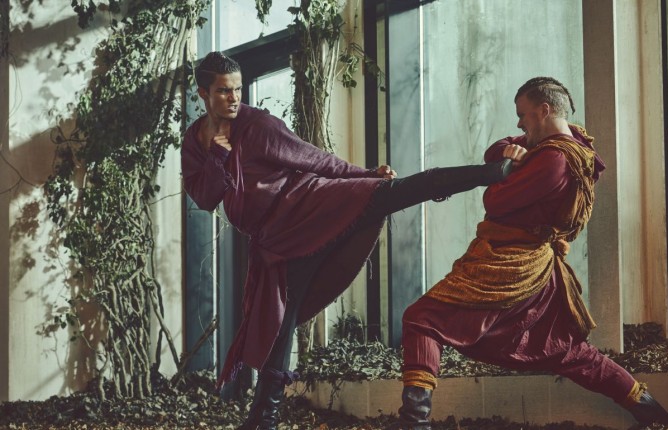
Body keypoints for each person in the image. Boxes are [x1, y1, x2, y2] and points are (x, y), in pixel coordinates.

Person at [180, 51, 512, 430]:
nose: (234, 98)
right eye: (224, 91)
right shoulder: (195, 142)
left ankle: (488, 173)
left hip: (311, 205)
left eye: (238, 89)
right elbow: (204, 197)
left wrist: (366, 174)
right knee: (279, 325)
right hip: (276, 240)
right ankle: (263, 420)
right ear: (203, 93)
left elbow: (313, 159)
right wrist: (217, 158)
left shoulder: (258, 125)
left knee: (396, 192)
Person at [395, 77, 668, 429]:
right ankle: (652, 411)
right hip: (539, 271)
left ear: (544, 110)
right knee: (568, 352)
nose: (518, 123)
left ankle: (414, 422)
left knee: (422, 318)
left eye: (522, 115)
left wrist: (506, 172)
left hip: (509, 266)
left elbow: (494, 201)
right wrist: (511, 152)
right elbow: (495, 150)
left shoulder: (554, 159)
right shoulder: (575, 145)